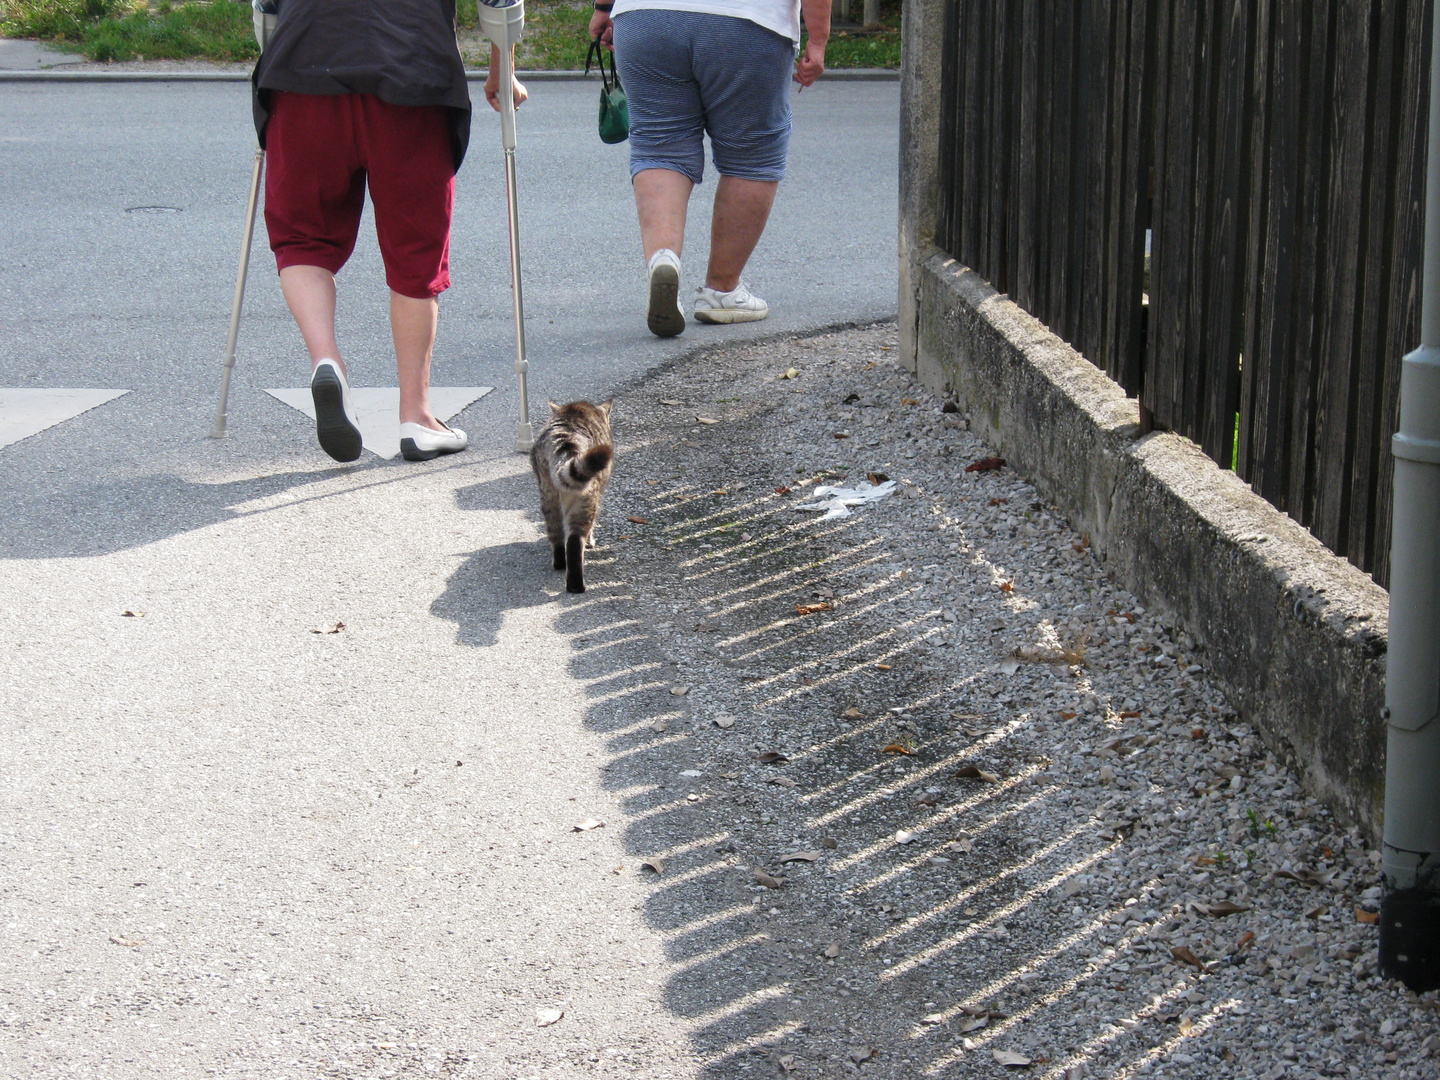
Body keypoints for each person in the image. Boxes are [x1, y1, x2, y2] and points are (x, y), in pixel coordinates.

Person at [250, 0, 526, 462]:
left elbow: (265, 8)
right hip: (412, 74)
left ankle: (326, 360)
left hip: (302, 71)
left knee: (302, 239)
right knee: (416, 255)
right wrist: (502, 67)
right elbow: (501, 3)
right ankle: (416, 418)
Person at [589, 0, 828, 338]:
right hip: (748, 22)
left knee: (660, 146)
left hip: (645, 18)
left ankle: (663, 257)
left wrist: (603, 7)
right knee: (752, 156)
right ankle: (723, 291)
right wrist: (817, 40)